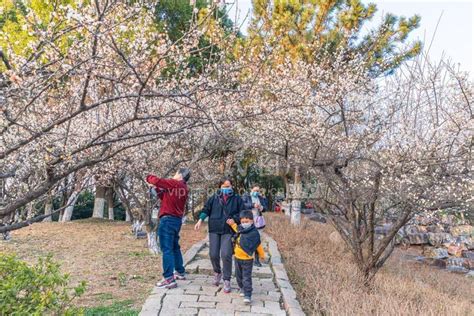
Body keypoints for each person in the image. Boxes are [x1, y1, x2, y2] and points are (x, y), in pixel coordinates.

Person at [194, 177, 244, 293]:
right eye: (224, 186)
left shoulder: (237, 199)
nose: (227, 188)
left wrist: (234, 219)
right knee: (213, 254)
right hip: (214, 229)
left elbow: (242, 213)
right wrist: (200, 220)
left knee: (226, 254)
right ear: (220, 187)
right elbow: (206, 209)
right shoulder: (214, 198)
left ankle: (227, 279)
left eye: (228, 186)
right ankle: (217, 272)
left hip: (228, 230)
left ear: (232, 186)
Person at [146, 167, 191, 289]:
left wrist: (148, 176)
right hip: (176, 221)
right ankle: (180, 271)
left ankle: (169, 278)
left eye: (175, 173)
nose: (173, 175)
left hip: (167, 220)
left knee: (167, 249)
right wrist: (155, 189)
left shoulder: (175, 183)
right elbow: (165, 197)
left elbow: (158, 181)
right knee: (175, 247)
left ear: (180, 175)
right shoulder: (183, 188)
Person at [226, 210, 265, 304]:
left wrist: (262, 255)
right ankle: (242, 288)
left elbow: (258, 244)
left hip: (247, 259)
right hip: (237, 258)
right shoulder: (241, 229)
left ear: (252, 221)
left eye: (246, 222)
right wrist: (232, 224)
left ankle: (248, 294)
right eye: (243, 222)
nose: (244, 224)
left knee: (246, 277)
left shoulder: (254, 233)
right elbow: (236, 228)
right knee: (238, 276)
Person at [242, 185, 267, 267]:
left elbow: (265, 207)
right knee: (247, 239)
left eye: (258, 191)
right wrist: (253, 205)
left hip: (258, 221)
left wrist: (261, 208)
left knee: (257, 240)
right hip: (248, 221)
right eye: (255, 190)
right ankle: (246, 257)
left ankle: (256, 260)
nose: (256, 192)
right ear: (251, 189)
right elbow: (243, 205)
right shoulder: (246, 196)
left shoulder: (260, 198)